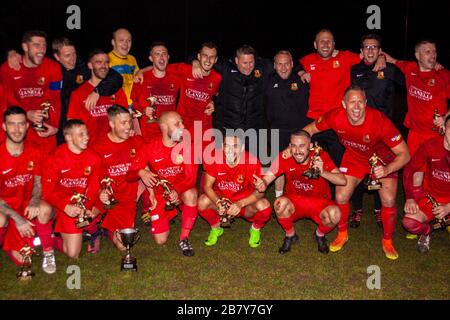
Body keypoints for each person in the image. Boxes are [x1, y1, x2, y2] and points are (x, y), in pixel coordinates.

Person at [303, 85, 411, 260]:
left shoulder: (379, 121)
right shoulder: (334, 116)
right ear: (344, 104)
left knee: (389, 199)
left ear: (366, 103)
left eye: (360, 102)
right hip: (355, 158)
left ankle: (388, 241)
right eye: (352, 102)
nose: (356, 107)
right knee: (341, 196)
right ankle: (342, 233)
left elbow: (405, 154)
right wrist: (297, 146)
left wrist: (387, 169)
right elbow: (310, 129)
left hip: (384, 160)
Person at [299, 29, 386, 168]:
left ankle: (343, 187)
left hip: (338, 121)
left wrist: (381, 56)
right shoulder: (307, 60)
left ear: (334, 44)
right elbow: (290, 65)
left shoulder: (345, 57)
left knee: (342, 163)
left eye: (329, 41)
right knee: (310, 164)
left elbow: (369, 55)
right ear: (315, 45)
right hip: (314, 120)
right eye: (322, 41)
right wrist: (301, 70)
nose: (326, 44)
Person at [349, 34, 405, 229]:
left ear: (380, 51)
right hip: (359, 129)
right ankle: (357, 209)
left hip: (383, 132)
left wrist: (391, 60)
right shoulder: (354, 70)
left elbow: (411, 76)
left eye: (374, 47)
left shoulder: (389, 70)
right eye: (367, 47)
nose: (371, 51)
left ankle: (379, 210)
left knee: (379, 170)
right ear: (361, 51)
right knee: (358, 169)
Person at [259, 130, 345, 254]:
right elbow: (269, 177)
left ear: (310, 146)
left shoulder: (321, 156)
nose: (297, 151)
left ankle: (319, 235)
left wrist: (323, 172)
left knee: (335, 214)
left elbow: (342, 181)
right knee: (279, 204)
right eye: (293, 146)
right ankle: (290, 235)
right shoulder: (285, 157)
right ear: (289, 146)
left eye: (302, 146)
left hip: (319, 202)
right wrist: (263, 184)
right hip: (295, 200)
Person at [127, 111, 199, 257]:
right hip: (160, 194)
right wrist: (141, 172)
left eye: (182, 122)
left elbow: (191, 179)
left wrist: (176, 190)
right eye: (177, 124)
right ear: (164, 127)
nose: (183, 127)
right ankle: (166, 214)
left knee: (192, 193)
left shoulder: (188, 146)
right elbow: (129, 174)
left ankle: (184, 238)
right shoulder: (150, 147)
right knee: (160, 241)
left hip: (180, 190)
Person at [0, 106, 56, 274]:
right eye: (12, 124)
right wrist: (17, 218)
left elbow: (38, 182)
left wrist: (34, 200)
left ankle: (48, 251)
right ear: (4, 127)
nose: (16, 129)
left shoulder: (35, 150)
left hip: (25, 206)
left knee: (44, 209)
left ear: (27, 126)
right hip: (5, 209)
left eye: (21, 124)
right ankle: (7, 239)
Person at [198, 133, 272, 248]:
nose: (231, 150)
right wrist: (218, 202)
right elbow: (207, 186)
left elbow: (260, 193)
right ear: (222, 147)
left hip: (244, 204)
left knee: (264, 206)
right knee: (202, 201)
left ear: (242, 148)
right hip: (222, 202)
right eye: (227, 146)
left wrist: (240, 203)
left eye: (235, 146)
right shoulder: (214, 159)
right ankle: (216, 227)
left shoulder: (251, 161)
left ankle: (255, 229)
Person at [42, 119, 102, 259]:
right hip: (58, 202)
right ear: (68, 137)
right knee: (43, 209)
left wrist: (86, 207)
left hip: (76, 205)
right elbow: (47, 191)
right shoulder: (54, 158)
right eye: (81, 134)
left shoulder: (94, 158)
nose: (86, 137)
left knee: (72, 254)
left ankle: (92, 232)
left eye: (86, 133)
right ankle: (47, 240)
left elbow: (93, 188)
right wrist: (64, 205)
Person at [383, 40, 450, 156]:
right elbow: (392, 60)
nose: (433, 55)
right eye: (427, 52)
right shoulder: (410, 69)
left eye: (434, 51)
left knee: (432, 172)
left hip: (436, 134)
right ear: (418, 56)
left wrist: (445, 117)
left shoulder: (443, 75)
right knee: (412, 170)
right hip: (414, 134)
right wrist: (380, 57)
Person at [51, 37, 123, 145]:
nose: (72, 59)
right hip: (61, 129)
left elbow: (116, 77)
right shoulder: (51, 69)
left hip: (87, 131)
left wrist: (97, 91)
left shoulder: (84, 67)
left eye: (74, 54)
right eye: (67, 56)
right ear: (57, 56)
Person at [0, 30, 62, 155]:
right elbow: (8, 98)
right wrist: (26, 114)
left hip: (43, 129)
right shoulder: (8, 68)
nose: (41, 50)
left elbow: (55, 97)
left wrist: (54, 126)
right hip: (17, 128)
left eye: (44, 46)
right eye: (36, 45)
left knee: (46, 168)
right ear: (25, 47)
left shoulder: (53, 67)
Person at [92, 105, 144, 251]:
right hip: (105, 197)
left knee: (123, 246)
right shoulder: (98, 147)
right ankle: (93, 230)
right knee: (86, 215)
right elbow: (91, 179)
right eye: (123, 123)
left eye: (130, 122)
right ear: (111, 124)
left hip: (126, 200)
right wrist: (99, 193)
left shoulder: (137, 142)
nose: (128, 126)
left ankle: (109, 229)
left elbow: (147, 168)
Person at [265, 50, 311, 198]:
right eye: (279, 64)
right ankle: (279, 198)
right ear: (274, 65)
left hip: (299, 131)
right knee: (278, 165)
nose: (283, 68)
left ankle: (301, 195)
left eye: (286, 64)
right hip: (277, 131)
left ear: (292, 64)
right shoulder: (268, 81)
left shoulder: (303, 80)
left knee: (300, 165)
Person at [402, 115, 450, 253]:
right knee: (408, 221)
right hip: (431, 198)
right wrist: (410, 198)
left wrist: (448, 207)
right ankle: (427, 231)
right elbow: (408, 170)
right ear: (444, 128)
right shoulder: (431, 146)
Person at [68, 49, 128, 145]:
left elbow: (126, 119)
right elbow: (72, 124)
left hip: (116, 147)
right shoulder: (78, 93)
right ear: (90, 65)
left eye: (106, 62)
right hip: (91, 147)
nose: (104, 66)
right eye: (99, 62)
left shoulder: (117, 91)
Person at [130, 42, 181, 141]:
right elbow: (133, 106)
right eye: (157, 54)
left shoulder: (176, 78)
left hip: (170, 131)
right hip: (149, 133)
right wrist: (143, 110)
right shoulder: (141, 79)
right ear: (151, 58)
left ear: (168, 56)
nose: (161, 57)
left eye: (164, 53)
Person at [175, 42, 221, 133]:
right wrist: (140, 72)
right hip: (181, 125)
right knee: (178, 147)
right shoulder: (185, 69)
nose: (208, 60)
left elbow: (218, 95)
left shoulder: (217, 78)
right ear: (199, 56)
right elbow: (162, 69)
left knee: (205, 147)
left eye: (212, 57)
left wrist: (214, 103)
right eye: (205, 55)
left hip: (202, 128)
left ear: (216, 60)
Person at [108, 28, 139, 107]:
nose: (125, 44)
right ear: (113, 42)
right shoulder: (106, 60)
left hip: (133, 106)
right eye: (121, 40)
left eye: (128, 40)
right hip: (117, 107)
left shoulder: (132, 59)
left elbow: (138, 77)